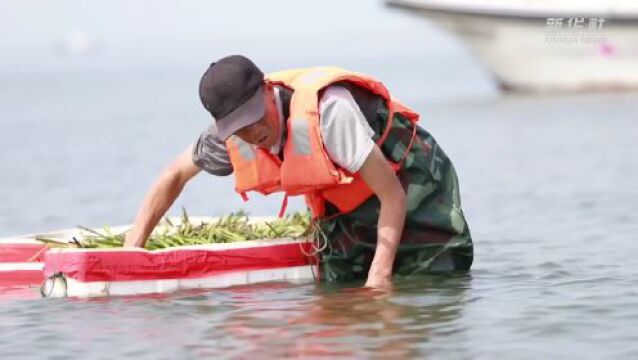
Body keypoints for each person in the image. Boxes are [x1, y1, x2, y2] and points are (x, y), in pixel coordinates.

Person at [124, 55, 473, 289]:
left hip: (409, 181)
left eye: (255, 116)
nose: (253, 132)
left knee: (430, 281)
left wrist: (379, 278)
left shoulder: (329, 113)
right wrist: (131, 251)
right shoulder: (233, 137)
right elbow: (174, 175)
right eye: (239, 127)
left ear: (266, 88)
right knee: (336, 295)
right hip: (347, 201)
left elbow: (392, 194)